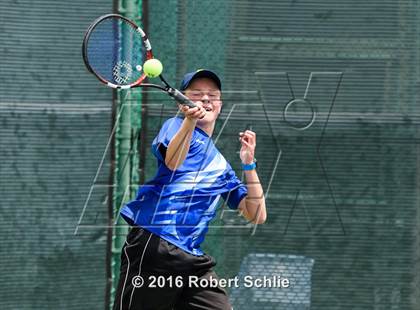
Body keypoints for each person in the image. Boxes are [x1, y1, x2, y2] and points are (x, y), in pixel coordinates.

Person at [113, 69, 266, 310]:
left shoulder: (221, 167)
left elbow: (256, 214)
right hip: (156, 244)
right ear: (182, 101)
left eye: (212, 95)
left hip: (192, 259)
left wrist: (249, 164)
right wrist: (188, 121)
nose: (205, 99)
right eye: (197, 94)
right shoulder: (175, 126)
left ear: (220, 106)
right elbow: (173, 161)